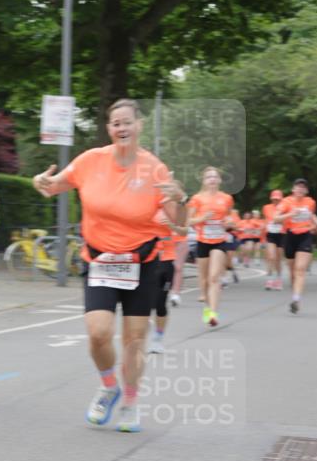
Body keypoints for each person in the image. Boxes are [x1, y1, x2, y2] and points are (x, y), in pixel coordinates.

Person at [33, 98, 187, 433]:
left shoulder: (154, 169)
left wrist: (179, 198)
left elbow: (180, 226)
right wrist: (41, 182)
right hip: (100, 261)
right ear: (108, 128)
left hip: (141, 263)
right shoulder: (91, 160)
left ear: (139, 125)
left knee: (134, 338)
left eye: (127, 122)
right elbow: (54, 185)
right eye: (115, 123)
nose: (122, 128)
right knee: (98, 334)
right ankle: (109, 386)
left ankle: (130, 401)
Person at [187, 168, 235, 327]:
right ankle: (207, 308)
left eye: (215, 176)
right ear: (204, 181)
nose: (212, 179)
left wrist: (229, 222)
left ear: (220, 180)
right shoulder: (197, 199)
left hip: (220, 241)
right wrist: (203, 218)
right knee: (205, 279)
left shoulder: (227, 198)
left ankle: (213, 313)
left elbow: (231, 219)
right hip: (203, 241)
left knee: (214, 277)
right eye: (209, 177)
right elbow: (188, 222)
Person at [275, 179, 317, 314]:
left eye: (303, 187)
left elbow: (311, 215)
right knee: (293, 271)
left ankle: (296, 299)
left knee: (300, 270)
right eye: (297, 187)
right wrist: (290, 214)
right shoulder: (286, 202)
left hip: (305, 236)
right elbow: (276, 218)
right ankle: (295, 291)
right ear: (293, 189)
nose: (300, 189)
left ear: (306, 191)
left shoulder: (310, 202)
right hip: (290, 237)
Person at [150, 214, 188, 352]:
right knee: (146, 302)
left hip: (166, 264)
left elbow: (183, 233)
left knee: (160, 303)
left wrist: (172, 226)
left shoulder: (172, 217)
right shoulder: (146, 214)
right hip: (147, 264)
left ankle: (157, 339)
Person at [262, 190, 285, 290]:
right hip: (271, 234)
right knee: (271, 257)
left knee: (278, 259)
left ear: (281, 199)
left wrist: (281, 222)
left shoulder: (285, 207)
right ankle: (270, 279)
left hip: (281, 234)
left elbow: (287, 220)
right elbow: (266, 220)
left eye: (278, 199)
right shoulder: (266, 208)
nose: (276, 200)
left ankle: (278, 279)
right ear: (271, 198)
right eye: (274, 198)